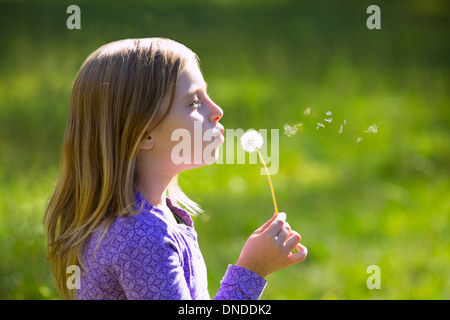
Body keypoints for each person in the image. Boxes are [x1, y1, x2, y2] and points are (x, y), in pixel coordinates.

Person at [44, 38, 307, 300]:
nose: (217, 110)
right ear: (144, 133)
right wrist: (252, 269)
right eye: (193, 102)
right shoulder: (143, 239)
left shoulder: (149, 218)